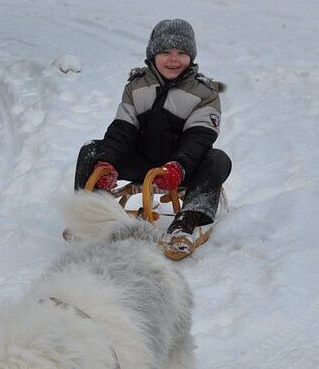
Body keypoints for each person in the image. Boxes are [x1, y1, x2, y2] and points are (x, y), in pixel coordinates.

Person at [74, 18, 231, 260]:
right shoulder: (137, 86)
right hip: (142, 160)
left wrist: (179, 166)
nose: (173, 59)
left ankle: (187, 222)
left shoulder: (204, 93)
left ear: (191, 56)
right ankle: (90, 214)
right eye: (165, 51)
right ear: (152, 54)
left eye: (181, 52)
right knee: (92, 150)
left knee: (218, 160)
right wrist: (108, 162)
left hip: (183, 166)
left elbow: (199, 138)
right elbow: (122, 129)